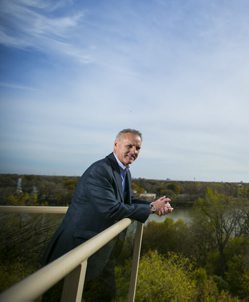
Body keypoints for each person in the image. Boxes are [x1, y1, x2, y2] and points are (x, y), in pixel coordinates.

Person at [42, 128, 173, 300]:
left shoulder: (124, 171)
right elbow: (112, 209)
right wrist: (151, 208)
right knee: (61, 296)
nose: (134, 151)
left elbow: (126, 201)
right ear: (116, 145)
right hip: (76, 249)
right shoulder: (100, 170)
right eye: (129, 146)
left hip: (101, 251)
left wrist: (154, 205)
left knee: (102, 294)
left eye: (138, 148)